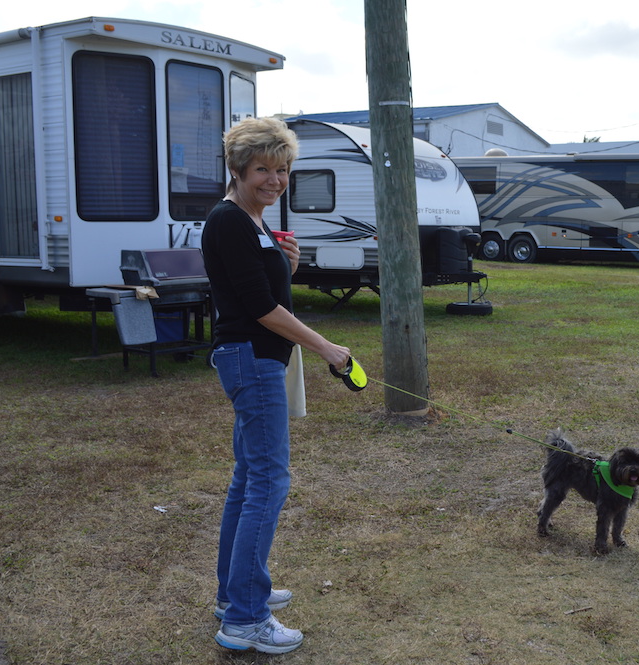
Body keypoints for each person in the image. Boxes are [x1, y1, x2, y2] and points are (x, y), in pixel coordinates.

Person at [202, 117, 351, 654]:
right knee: (269, 482)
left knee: (248, 481)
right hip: (252, 358)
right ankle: (245, 619)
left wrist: (286, 263)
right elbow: (261, 309)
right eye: (263, 168)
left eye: (282, 169)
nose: (274, 179)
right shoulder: (229, 221)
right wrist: (328, 349)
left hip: (255, 359)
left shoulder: (252, 221)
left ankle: (233, 593)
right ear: (239, 169)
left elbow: (264, 289)